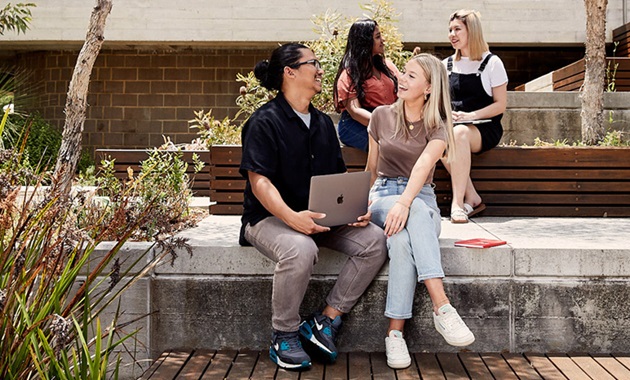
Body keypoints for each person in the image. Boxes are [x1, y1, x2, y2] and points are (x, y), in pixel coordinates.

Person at [239, 43, 388, 370]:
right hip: (269, 219)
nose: (321, 69)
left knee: (375, 242)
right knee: (300, 248)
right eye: (313, 63)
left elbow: (337, 177)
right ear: (289, 72)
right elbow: (259, 182)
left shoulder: (322, 122)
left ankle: (325, 320)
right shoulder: (263, 122)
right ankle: (284, 334)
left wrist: (354, 208)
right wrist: (292, 218)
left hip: (320, 217)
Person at [366, 53, 475, 370]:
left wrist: (406, 202)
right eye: (404, 73)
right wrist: (366, 203)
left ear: (429, 88)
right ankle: (442, 307)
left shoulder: (439, 125)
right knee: (410, 213)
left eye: (412, 76)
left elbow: (423, 167)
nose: (402, 78)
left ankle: (395, 335)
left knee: (402, 241)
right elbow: (372, 170)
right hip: (384, 196)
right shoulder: (381, 117)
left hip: (421, 199)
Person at [442, 9, 509, 223]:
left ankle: (458, 203)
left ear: (472, 30)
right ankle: (472, 196)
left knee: (459, 134)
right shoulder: (446, 65)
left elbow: (500, 105)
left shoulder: (492, 63)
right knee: (441, 135)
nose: (452, 34)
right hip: (453, 126)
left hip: (484, 128)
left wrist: (470, 115)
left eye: (457, 29)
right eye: (450, 30)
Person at [333, 19, 400, 152]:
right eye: (377, 37)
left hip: (389, 120)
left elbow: (403, 92)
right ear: (365, 42)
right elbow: (355, 111)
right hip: (356, 124)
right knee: (389, 147)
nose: (383, 40)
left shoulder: (387, 66)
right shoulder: (349, 73)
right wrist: (387, 125)